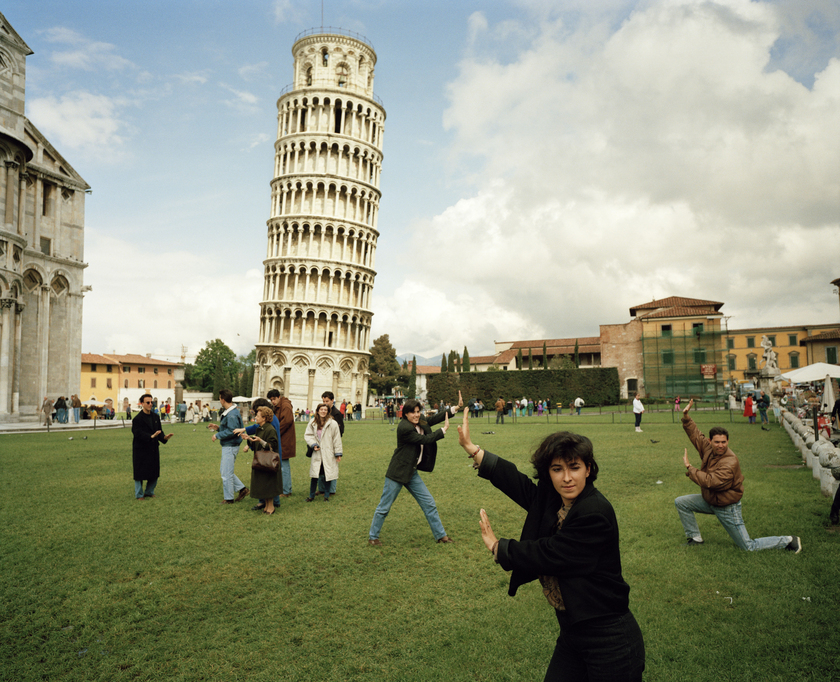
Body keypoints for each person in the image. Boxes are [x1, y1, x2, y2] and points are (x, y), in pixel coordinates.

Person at [456, 408, 645, 681]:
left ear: (588, 469)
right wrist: (473, 450)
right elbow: (519, 484)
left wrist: (500, 548)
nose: (566, 477)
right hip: (573, 634)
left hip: (610, 639)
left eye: (574, 468)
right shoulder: (557, 501)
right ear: (549, 473)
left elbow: (551, 554)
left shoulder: (594, 511)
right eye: (557, 469)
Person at [675, 399, 801, 552]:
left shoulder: (730, 461)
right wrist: (686, 418)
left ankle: (789, 540)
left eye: (723, 442)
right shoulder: (709, 448)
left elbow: (711, 482)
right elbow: (696, 436)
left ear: (728, 441)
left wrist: (690, 467)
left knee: (748, 546)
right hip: (711, 500)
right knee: (681, 502)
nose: (720, 445)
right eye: (717, 442)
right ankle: (695, 538)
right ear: (710, 441)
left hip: (727, 507)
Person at [368, 393, 463, 545]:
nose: (417, 415)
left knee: (429, 503)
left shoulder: (419, 421)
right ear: (406, 414)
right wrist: (443, 430)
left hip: (411, 472)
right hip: (397, 473)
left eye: (418, 412)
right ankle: (373, 537)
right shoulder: (404, 427)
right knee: (384, 507)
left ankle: (441, 536)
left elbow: (432, 419)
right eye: (413, 412)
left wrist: (454, 409)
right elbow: (424, 439)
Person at [209, 389, 249, 505]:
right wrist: (218, 428)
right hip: (231, 445)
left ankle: (229, 498)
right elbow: (231, 429)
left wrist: (217, 435)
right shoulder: (232, 412)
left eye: (220, 398)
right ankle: (242, 489)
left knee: (226, 473)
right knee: (226, 471)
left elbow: (232, 431)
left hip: (230, 446)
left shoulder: (231, 414)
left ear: (223, 399)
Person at [131, 393, 173, 500]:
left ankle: (149, 491)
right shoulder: (137, 419)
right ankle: (139, 494)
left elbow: (159, 432)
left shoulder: (155, 417)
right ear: (142, 404)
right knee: (139, 473)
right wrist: (150, 436)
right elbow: (137, 433)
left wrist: (164, 438)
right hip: (141, 449)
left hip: (153, 449)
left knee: (154, 472)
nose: (150, 404)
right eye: (148, 402)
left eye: (152, 402)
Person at [242, 405, 281, 515]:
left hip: (268, 461)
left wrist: (261, 441)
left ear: (264, 418)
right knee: (264, 483)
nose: (256, 417)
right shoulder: (260, 428)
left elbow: (272, 446)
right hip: (261, 461)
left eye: (258, 416)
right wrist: (248, 439)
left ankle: (271, 506)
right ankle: (267, 506)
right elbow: (256, 442)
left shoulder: (270, 429)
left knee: (269, 484)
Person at [304, 404, 343, 502]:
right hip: (317, 452)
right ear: (318, 411)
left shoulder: (333, 423)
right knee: (315, 475)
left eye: (325, 410)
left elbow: (336, 439)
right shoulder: (312, 423)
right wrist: (313, 444)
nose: (323, 411)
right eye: (321, 409)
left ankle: (326, 495)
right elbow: (308, 435)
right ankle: (311, 495)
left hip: (328, 452)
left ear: (328, 411)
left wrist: (338, 453)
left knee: (327, 474)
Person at [266, 389, 295, 497]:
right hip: (282, 439)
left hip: (285, 440)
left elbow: (287, 421)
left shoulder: (285, 405)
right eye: (271, 400)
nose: (273, 401)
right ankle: (286, 488)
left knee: (284, 465)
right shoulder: (280, 406)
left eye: (274, 399)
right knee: (282, 464)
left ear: (279, 397)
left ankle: (286, 490)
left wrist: (275, 432)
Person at [318, 391, 345, 497]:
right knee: (321, 465)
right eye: (323, 401)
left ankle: (332, 489)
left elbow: (340, 430)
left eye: (327, 401)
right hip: (322, 444)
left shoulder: (336, 413)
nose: (325, 403)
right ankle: (321, 488)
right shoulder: (322, 412)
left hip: (331, 445)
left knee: (331, 466)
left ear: (332, 401)